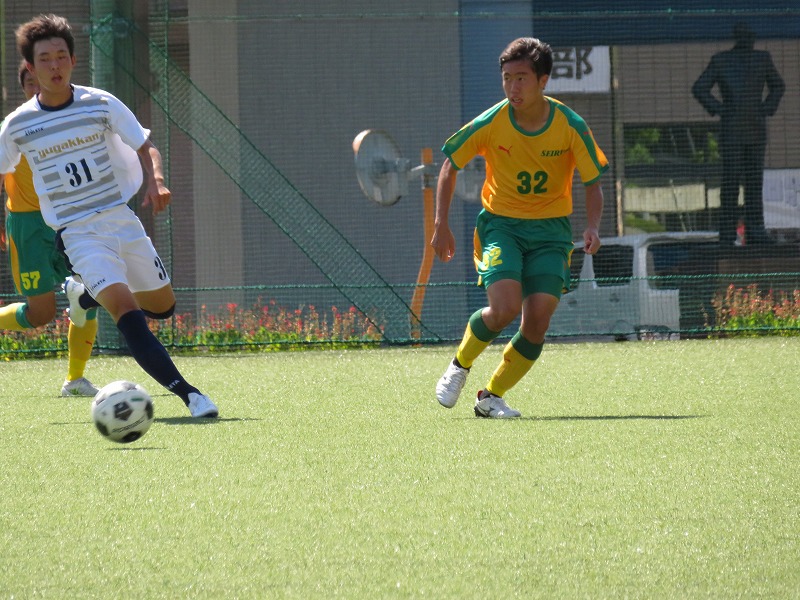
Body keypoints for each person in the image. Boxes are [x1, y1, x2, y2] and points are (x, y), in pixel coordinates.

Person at [0, 14, 218, 418]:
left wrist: (156, 181)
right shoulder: (17, 125)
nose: (54, 65)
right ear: (30, 66)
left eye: (61, 56)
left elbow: (144, 146)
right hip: (77, 233)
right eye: (44, 59)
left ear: (73, 60)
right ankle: (192, 396)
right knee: (127, 312)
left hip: (120, 219)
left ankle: (84, 296)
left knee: (163, 307)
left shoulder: (100, 102)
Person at [432, 37, 607, 418]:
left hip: (551, 233)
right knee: (504, 308)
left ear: (543, 81)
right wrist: (440, 223)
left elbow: (593, 181)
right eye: (507, 78)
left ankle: (491, 397)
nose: (513, 87)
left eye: (522, 78)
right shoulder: (492, 121)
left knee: (537, 323)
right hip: (502, 228)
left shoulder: (571, 125)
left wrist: (593, 226)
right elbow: (449, 165)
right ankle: (460, 365)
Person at [0, 60, 99, 397]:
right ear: (25, 87)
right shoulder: (13, 128)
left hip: (69, 219)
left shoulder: (69, 123)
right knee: (40, 314)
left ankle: (75, 380)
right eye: (30, 82)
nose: (37, 87)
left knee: (90, 292)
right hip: (28, 227)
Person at [692, 22, 785, 246]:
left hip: (753, 128)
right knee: (731, 183)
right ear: (739, 37)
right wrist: (721, 109)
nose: (750, 39)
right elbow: (699, 88)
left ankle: (755, 230)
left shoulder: (762, 58)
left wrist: (766, 108)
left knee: (753, 183)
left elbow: (778, 86)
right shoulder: (721, 60)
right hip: (733, 129)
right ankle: (727, 233)